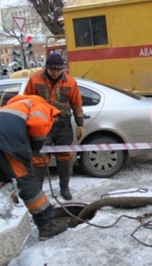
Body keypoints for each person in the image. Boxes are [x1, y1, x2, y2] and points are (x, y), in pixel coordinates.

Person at [0, 94, 72, 240]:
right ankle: (46, 224)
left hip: (5, 140)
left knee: (3, 177)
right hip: (7, 143)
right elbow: (38, 125)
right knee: (27, 180)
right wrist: (35, 147)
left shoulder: (13, 106)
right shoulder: (41, 105)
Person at [24, 53, 85, 200]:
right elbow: (26, 101)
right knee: (39, 158)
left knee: (64, 157)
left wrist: (80, 124)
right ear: (47, 68)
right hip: (42, 126)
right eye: (53, 70)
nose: (56, 73)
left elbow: (76, 104)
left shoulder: (70, 82)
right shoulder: (35, 80)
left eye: (59, 70)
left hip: (62, 125)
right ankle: (37, 190)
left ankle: (64, 188)